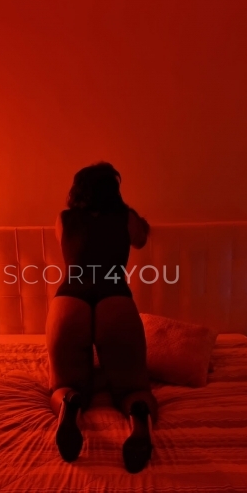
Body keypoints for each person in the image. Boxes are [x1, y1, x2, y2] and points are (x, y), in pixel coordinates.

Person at [46, 162, 158, 473]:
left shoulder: (64, 219)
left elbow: (70, 245)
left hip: (69, 301)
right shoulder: (126, 217)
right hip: (114, 297)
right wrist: (132, 217)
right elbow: (140, 239)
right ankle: (138, 413)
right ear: (114, 191)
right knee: (134, 387)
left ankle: (70, 404)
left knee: (63, 384)